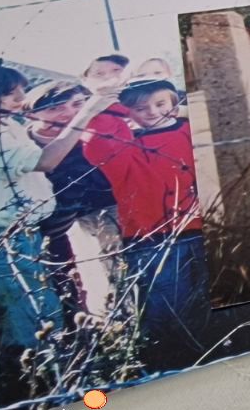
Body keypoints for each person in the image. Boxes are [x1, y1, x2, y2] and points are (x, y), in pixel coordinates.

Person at [0, 67, 113, 385]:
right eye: (9, 93)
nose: (20, 98)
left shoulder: (6, 128)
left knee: (38, 315)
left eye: (20, 91)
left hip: (17, 235)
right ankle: (41, 389)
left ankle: (46, 384)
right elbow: (45, 161)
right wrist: (88, 111)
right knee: (26, 322)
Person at [83, 78, 207, 368]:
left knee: (209, 300)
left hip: (201, 230)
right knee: (165, 308)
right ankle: (170, 364)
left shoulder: (189, 131)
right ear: (128, 112)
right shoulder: (125, 146)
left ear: (173, 102)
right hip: (152, 239)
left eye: (160, 103)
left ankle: (210, 350)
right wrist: (110, 103)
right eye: (140, 108)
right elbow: (96, 144)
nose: (151, 112)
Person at [25, 81, 121, 321]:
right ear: (31, 114)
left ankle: (116, 318)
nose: (68, 113)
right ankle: (70, 328)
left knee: (113, 268)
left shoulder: (94, 134)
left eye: (78, 104)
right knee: (57, 281)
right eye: (55, 107)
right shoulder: (23, 144)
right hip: (43, 225)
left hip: (97, 212)